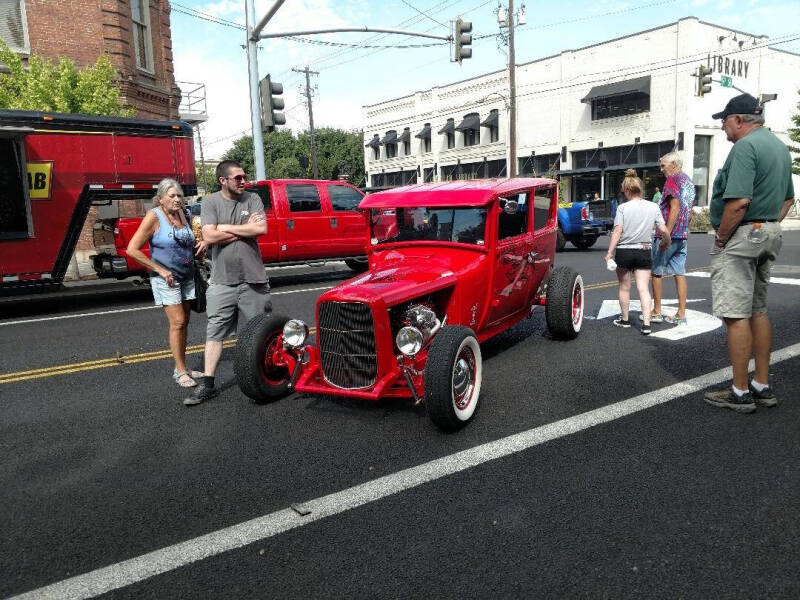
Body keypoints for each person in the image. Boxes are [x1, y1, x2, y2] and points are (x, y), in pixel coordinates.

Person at [703, 93, 795, 413]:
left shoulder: (745, 147)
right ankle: (762, 385)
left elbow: (739, 201)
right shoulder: (779, 146)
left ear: (740, 120)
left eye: (725, 121)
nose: (724, 128)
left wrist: (722, 239)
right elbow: (787, 201)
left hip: (742, 235)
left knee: (735, 314)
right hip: (768, 231)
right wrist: (766, 225)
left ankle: (740, 392)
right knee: (758, 310)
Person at [184, 160, 270, 406]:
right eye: (238, 178)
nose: (244, 181)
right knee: (215, 333)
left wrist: (225, 229)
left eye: (244, 177)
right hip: (222, 280)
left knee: (261, 331)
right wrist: (245, 228)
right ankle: (208, 385)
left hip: (253, 277)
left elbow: (261, 228)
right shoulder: (210, 202)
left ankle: (266, 378)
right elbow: (209, 235)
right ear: (223, 180)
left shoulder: (252, 198)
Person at [127, 179, 207, 388]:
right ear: (160, 199)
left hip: (187, 275)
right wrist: (161, 270)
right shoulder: (154, 216)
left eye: (179, 195)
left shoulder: (185, 214)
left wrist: (199, 250)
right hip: (166, 279)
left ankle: (184, 367)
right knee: (178, 322)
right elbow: (132, 249)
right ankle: (179, 371)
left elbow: (186, 243)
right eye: (171, 196)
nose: (177, 199)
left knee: (185, 322)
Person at [604, 169, 670, 335]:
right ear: (640, 188)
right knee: (643, 288)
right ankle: (647, 324)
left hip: (625, 252)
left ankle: (625, 320)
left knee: (624, 288)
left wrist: (609, 252)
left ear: (627, 190)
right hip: (644, 250)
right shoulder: (653, 206)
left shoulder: (622, 208)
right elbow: (664, 229)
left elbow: (618, 231)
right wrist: (665, 242)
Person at [648, 152, 695, 326]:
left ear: (674, 164)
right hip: (682, 234)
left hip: (669, 234)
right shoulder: (688, 181)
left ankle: (657, 311)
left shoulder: (673, 180)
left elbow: (674, 207)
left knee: (657, 272)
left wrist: (666, 233)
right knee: (679, 272)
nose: (661, 170)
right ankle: (681, 313)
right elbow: (688, 210)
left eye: (663, 165)